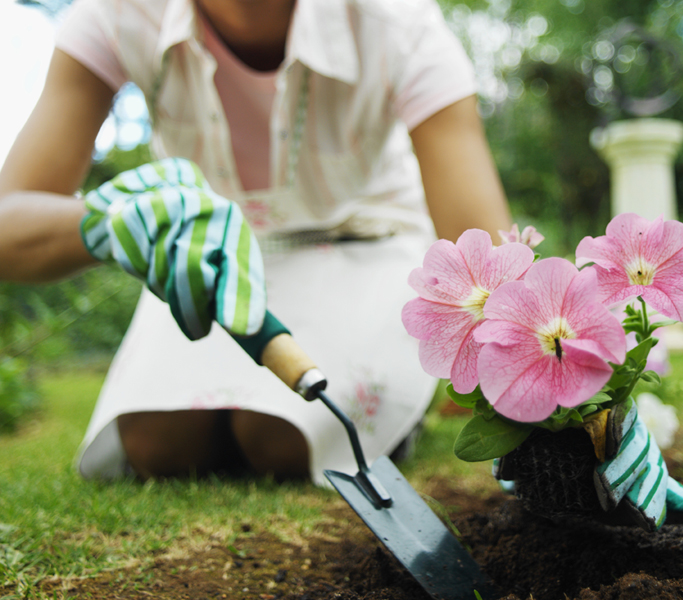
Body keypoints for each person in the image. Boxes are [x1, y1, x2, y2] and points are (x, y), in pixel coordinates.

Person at [0, 0, 512, 484]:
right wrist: (106, 223)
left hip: (364, 244)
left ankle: (402, 402)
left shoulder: (396, 21)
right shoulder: (117, 15)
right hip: (216, 261)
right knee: (157, 444)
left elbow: (481, 247)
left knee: (281, 438)